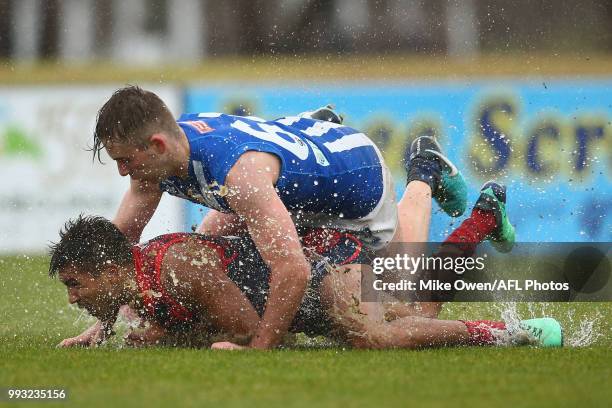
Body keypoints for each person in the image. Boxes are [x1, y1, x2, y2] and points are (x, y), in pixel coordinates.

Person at [67, 86, 469, 349]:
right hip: (283, 170)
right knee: (207, 236)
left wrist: (258, 347)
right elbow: (114, 253)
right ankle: (316, 126)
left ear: (156, 144)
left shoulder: (237, 175)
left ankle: (423, 171)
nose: (123, 172)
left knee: (407, 302)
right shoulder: (165, 152)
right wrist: (101, 326)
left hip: (356, 186)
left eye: (125, 161)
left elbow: (292, 269)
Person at [49, 184, 563, 350]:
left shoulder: (179, 267)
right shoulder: (137, 278)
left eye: (76, 285)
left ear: (108, 268)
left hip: (328, 268)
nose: (72, 297)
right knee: (419, 305)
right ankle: (480, 219)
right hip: (311, 285)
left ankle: (517, 332)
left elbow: (256, 334)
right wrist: (112, 326)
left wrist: (174, 335)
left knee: (385, 333)